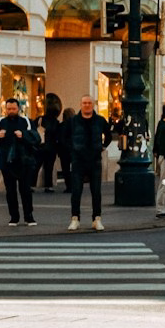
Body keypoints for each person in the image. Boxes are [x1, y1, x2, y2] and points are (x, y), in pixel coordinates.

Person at [0, 98, 41, 227]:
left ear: (18, 109)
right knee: (10, 191)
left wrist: (23, 135)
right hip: (7, 162)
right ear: (5, 109)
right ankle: (14, 217)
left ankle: (29, 217)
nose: (11, 111)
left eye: (13, 109)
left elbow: (37, 139)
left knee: (26, 190)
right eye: (8, 109)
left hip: (25, 161)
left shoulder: (27, 122)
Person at [62, 96, 112, 231]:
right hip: (78, 160)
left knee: (96, 191)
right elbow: (64, 137)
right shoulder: (73, 121)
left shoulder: (100, 121)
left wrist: (102, 146)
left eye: (89, 103)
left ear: (93, 105)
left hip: (95, 159)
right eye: (84, 103)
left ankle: (97, 219)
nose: (87, 105)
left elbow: (109, 135)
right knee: (76, 191)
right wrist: (72, 150)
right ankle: (75, 219)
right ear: (80, 104)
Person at [36, 92, 65, 192]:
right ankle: (48, 185)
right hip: (51, 147)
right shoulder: (55, 122)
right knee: (49, 167)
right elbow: (57, 135)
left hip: (41, 146)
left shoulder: (40, 119)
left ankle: (31, 184)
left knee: (37, 166)